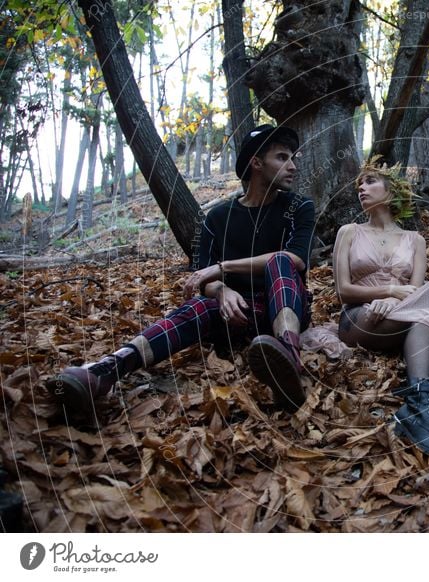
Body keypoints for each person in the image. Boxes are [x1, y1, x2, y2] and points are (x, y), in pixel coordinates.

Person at [46, 124, 315, 424]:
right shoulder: (217, 218)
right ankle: (105, 371)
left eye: (293, 158)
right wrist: (222, 290)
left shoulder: (299, 206)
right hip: (241, 313)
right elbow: (202, 281)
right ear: (256, 163)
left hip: (287, 307)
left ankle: (289, 360)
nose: (293, 166)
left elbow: (295, 260)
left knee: (280, 263)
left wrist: (223, 267)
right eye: (282, 157)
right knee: (197, 307)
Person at [327, 161, 429, 459]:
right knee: (425, 313)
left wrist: (397, 303)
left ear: (391, 190)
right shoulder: (349, 232)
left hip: (406, 314)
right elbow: (342, 290)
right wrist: (390, 291)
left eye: (370, 182)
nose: (361, 187)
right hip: (359, 316)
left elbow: (418, 292)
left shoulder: (415, 240)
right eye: (360, 183)